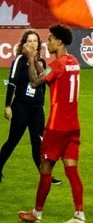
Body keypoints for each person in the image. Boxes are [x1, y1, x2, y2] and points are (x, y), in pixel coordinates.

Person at [18, 25, 85, 223]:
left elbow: (35, 82)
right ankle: (79, 214)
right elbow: (50, 77)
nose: (47, 43)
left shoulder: (58, 65)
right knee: (71, 170)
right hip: (73, 126)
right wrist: (40, 65)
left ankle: (37, 213)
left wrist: (30, 59)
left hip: (56, 127)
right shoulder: (72, 62)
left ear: (60, 42)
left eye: (50, 40)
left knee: (45, 167)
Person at [0, 30, 58, 184]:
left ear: (39, 44)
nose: (33, 44)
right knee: (13, 141)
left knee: (38, 143)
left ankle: (45, 176)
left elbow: (46, 81)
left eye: (35, 41)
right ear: (24, 44)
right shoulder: (19, 60)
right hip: (21, 107)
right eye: (29, 41)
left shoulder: (43, 63)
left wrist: (43, 104)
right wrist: (7, 106)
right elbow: (12, 82)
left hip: (37, 109)